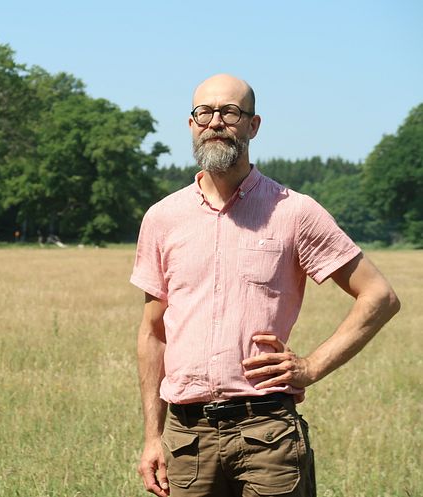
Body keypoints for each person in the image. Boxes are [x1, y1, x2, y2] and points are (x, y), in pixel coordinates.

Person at [131, 74, 400, 497]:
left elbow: (379, 296)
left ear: (253, 125)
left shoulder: (294, 212)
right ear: (190, 124)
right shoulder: (163, 218)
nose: (215, 122)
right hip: (188, 440)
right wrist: (152, 436)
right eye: (204, 112)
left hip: (268, 435)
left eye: (230, 112)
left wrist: (310, 367)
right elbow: (153, 332)